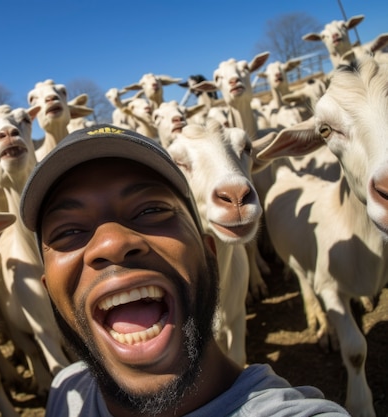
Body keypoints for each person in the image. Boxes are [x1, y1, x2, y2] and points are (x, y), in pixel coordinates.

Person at [19, 124, 350, 417]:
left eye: (152, 209)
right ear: (49, 289)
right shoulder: (65, 393)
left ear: (210, 256)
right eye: (67, 231)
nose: (112, 244)